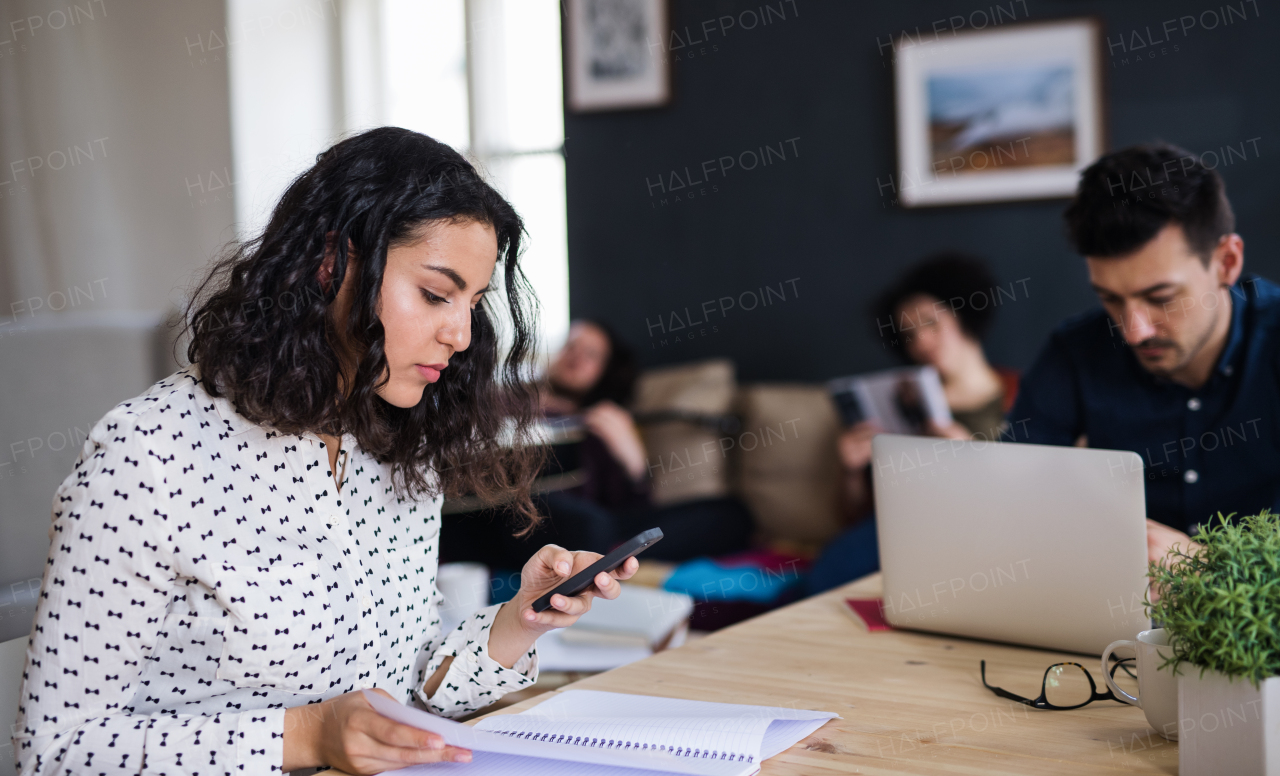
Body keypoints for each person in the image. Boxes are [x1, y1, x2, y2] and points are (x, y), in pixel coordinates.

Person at [12, 127, 638, 776]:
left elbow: (402, 694)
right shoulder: (152, 456)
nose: (460, 335)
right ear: (331, 265)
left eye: (472, 303)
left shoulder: (396, 448)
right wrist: (309, 734)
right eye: (435, 294)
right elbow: (57, 749)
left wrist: (521, 618)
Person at [1010, 141, 1279, 568]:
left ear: (1227, 262)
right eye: (1111, 299)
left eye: (1161, 297)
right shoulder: (1076, 352)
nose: (1134, 332)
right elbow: (1012, 495)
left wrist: (1206, 569)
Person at [440, 320, 754, 572]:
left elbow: (633, 508)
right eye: (571, 346)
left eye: (591, 354)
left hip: (596, 522)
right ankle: (609, 555)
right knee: (588, 525)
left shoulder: (605, 424)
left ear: (604, 372)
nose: (576, 355)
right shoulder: (504, 399)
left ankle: (609, 555)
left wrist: (632, 458)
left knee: (731, 514)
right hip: (512, 514)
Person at [806, 255, 1017, 594]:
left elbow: (1033, 494)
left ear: (963, 316)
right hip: (908, 528)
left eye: (931, 323)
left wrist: (971, 457)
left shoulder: (1022, 393)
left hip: (984, 531)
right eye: (909, 335)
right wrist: (850, 470)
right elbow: (855, 517)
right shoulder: (904, 405)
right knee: (831, 572)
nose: (920, 342)